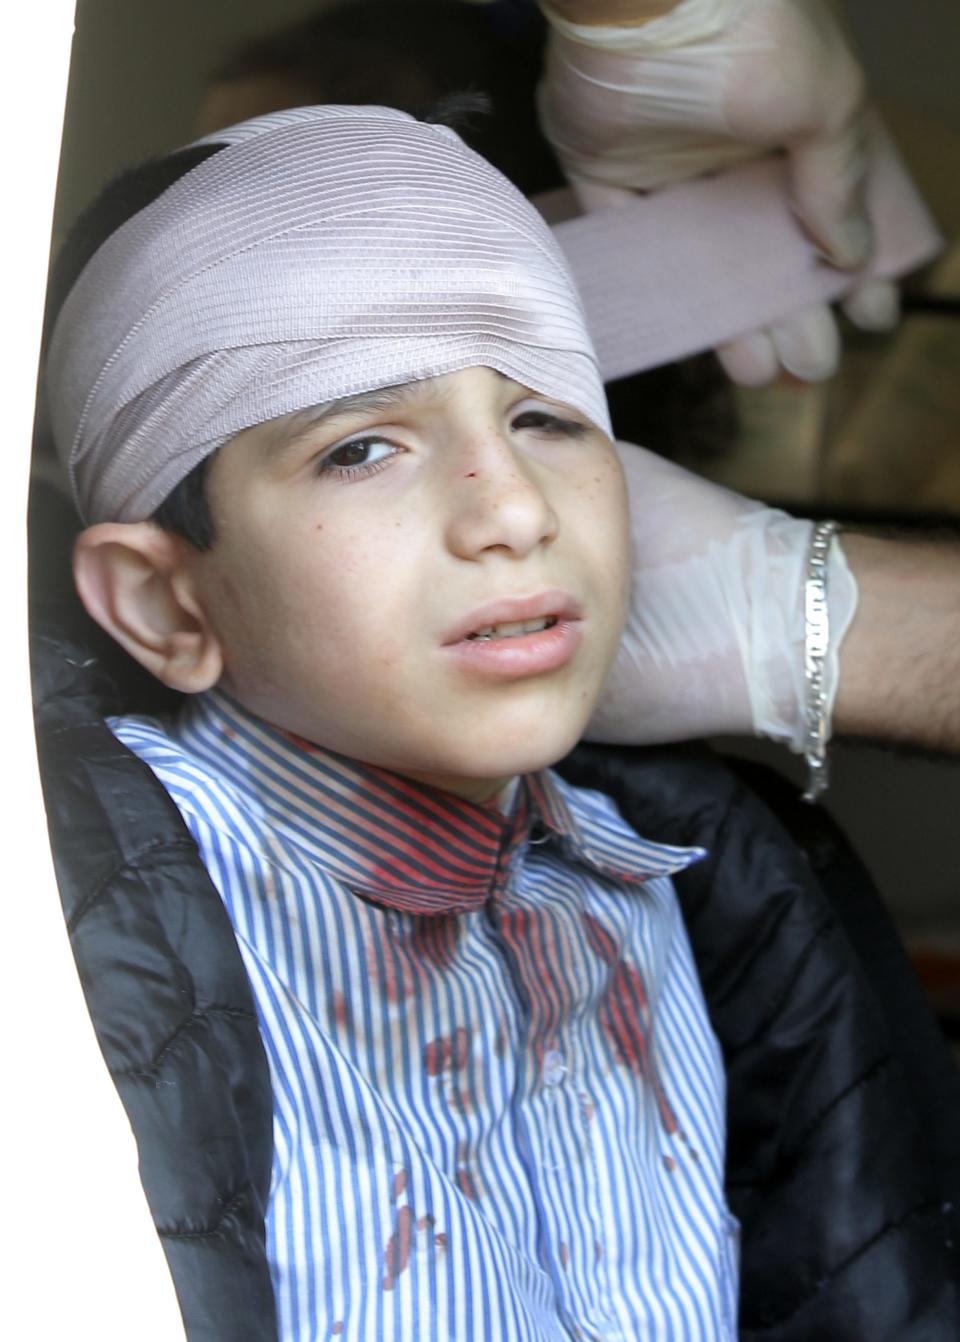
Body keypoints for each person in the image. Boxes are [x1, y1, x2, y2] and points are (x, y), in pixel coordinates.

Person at [38, 102, 957, 1342]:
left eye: (546, 418)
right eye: (361, 447)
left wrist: (814, 620)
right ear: (165, 601)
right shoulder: (49, 933)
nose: (515, 508)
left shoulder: (696, 890)